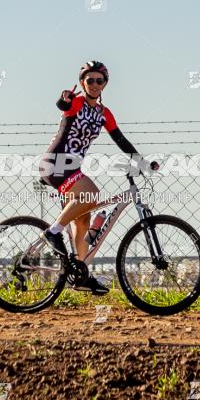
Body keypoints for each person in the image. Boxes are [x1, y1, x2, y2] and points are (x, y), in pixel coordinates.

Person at [38, 60, 157, 294]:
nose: (94, 84)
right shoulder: (76, 103)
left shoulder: (104, 114)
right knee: (91, 193)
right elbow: (63, 104)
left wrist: (142, 162)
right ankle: (52, 232)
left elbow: (121, 140)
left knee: (83, 219)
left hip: (72, 168)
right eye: (89, 80)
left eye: (98, 80)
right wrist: (64, 99)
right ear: (82, 83)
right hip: (56, 163)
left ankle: (81, 274)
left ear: (105, 84)